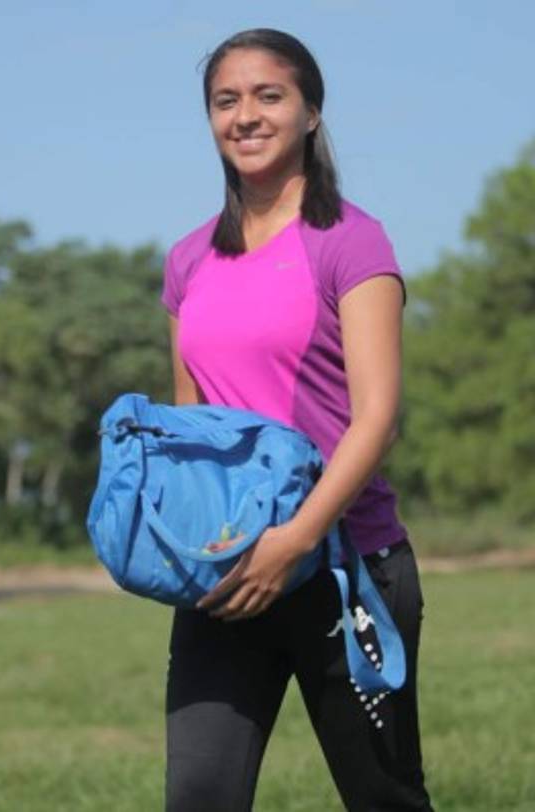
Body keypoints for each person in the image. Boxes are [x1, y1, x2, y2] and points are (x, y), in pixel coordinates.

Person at [160, 29, 432, 811]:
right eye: (226, 100)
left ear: (311, 112)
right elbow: (193, 421)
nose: (245, 115)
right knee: (200, 798)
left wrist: (297, 540)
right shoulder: (187, 261)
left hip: (346, 569)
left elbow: (376, 417)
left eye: (268, 95)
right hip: (226, 577)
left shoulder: (352, 242)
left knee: (385, 800)